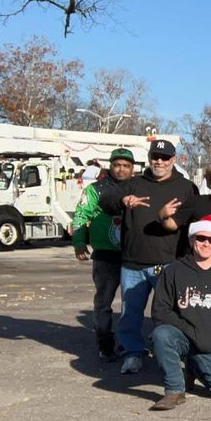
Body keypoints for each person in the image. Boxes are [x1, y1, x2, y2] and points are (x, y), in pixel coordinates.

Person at [99, 138, 199, 375]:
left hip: (168, 263)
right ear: (149, 158)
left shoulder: (185, 187)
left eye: (165, 157)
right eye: (155, 156)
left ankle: (174, 354)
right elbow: (105, 200)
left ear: (173, 160)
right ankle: (132, 354)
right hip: (133, 262)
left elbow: (193, 221)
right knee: (130, 313)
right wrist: (123, 200)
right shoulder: (134, 183)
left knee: (172, 314)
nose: (159, 161)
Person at [148, 216, 211, 410]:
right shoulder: (174, 270)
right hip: (182, 336)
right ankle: (175, 390)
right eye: (200, 238)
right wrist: (192, 333)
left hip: (210, 342)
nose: (206, 243)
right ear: (191, 240)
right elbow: (160, 311)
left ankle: (193, 366)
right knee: (161, 334)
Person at [71, 147, 134, 359]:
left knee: (131, 304)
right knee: (103, 301)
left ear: (133, 168)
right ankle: (104, 340)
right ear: (110, 166)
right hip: (105, 256)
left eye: (126, 166)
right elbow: (81, 214)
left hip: (133, 255)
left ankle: (129, 343)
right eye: (117, 165)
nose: (121, 169)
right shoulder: (95, 189)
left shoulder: (139, 188)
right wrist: (79, 243)